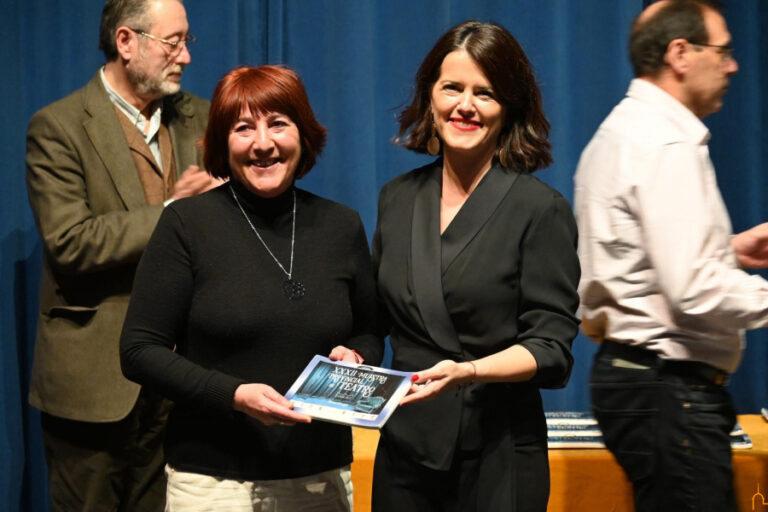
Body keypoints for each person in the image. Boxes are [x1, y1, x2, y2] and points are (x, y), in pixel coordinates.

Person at [120, 65, 382, 511]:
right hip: (214, 483)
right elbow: (139, 350)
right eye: (244, 128)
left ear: (303, 134)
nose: (263, 143)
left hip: (322, 478)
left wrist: (356, 359)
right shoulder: (187, 224)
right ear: (224, 141)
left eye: (278, 123)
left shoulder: (342, 225)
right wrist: (234, 395)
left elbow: (371, 332)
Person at [371, 20, 580, 512]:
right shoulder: (396, 198)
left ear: (509, 108)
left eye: (484, 93)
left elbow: (551, 350)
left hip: (497, 456)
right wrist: (350, 353)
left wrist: (468, 371)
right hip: (405, 453)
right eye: (452, 88)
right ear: (430, 96)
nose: (465, 105)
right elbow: (372, 318)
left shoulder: (540, 209)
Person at [574, 1, 768, 510]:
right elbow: (696, 290)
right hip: (667, 389)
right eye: (723, 51)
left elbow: (634, 257)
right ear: (680, 53)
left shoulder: (625, 130)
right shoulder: (663, 140)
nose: (733, 65)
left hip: (641, 384)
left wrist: (726, 251)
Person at [25, 0, 217, 510]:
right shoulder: (59, 127)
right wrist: (178, 210)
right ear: (126, 43)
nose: (186, 56)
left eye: (186, 41)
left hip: (179, 380)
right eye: (172, 42)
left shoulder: (200, 118)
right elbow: (71, 241)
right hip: (95, 387)